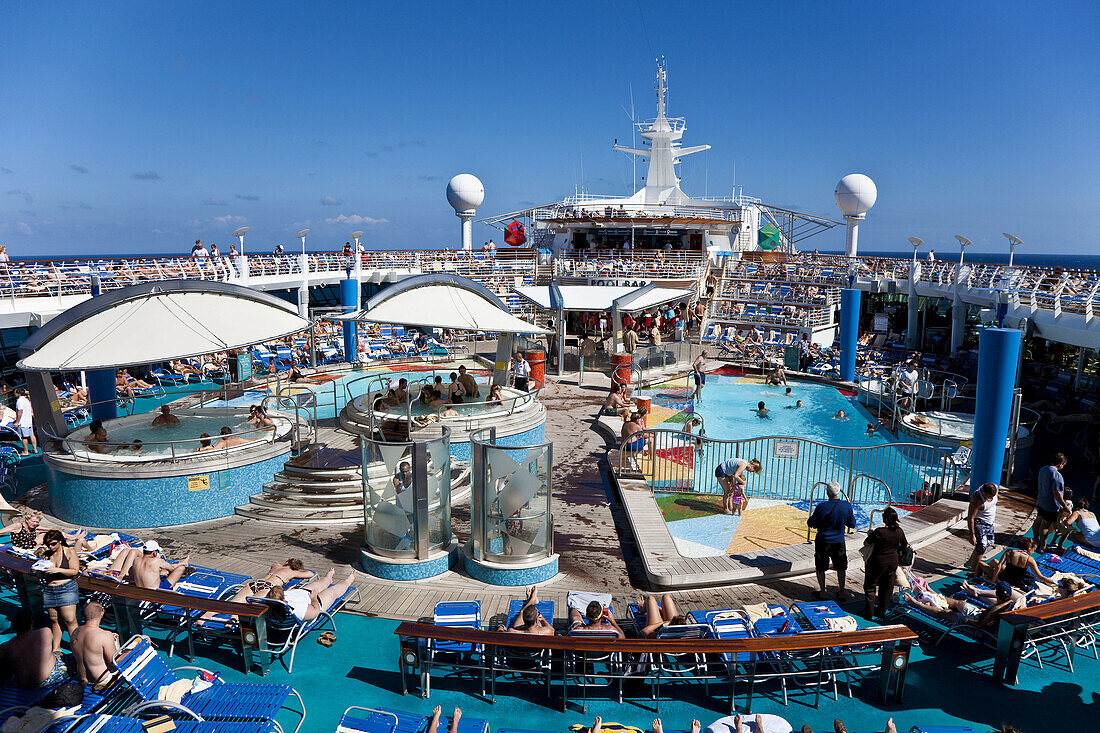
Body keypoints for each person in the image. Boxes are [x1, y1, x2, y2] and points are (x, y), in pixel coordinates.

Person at [807, 481, 857, 600]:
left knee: (820, 567)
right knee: (841, 567)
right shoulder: (846, 505)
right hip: (838, 541)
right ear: (838, 492)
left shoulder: (822, 507)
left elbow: (811, 523)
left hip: (823, 541)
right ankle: (842, 592)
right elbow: (852, 523)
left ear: (827, 493)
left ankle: (823, 592)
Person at [902, 580, 1014, 630]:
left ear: (997, 594)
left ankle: (915, 603)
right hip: (979, 614)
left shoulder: (998, 609)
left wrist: (967, 621)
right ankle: (934, 594)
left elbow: (982, 625)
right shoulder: (1009, 602)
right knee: (960, 603)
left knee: (945, 613)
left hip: (974, 623)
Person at [37, 529, 80, 652]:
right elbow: (41, 575)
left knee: (70, 620)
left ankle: (76, 648)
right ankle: (56, 648)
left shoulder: (69, 552)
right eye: (48, 544)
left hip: (66, 588)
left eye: (53, 544)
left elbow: (74, 571)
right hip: (50, 589)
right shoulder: (47, 554)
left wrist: (57, 570)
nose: (50, 547)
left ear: (60, 541)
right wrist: (39, 571)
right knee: (54, 620)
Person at [0, 610, 67, 689]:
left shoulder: (6, 646)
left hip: (23, 684)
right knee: (64, 657)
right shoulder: (45, 632)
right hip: (46, 680)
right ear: (31, 623)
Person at [862, 507, 908, 619]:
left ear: (886, 518)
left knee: (870, 586)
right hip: (892, 562)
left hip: (877, 562)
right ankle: (881, 612)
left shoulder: (879, 532)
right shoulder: (899, 531)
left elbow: (866, 543)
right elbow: (905, 545)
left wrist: (870, 535)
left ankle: (869, 612)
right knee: (887, 588)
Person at [268, 568, 357, 622]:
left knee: (320, 583)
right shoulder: (296, 611)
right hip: (316, 602)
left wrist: (287, 592)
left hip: (303, 593)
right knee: (332, 591)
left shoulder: (269, 603)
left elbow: (277, 598)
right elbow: (315, 612)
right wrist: (314, 598)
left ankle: (328, 578)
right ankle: (348, 581)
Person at [979, 537, 1058, 593]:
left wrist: (994, 579)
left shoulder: (1009, 551)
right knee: (994, 561)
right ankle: (979, 576)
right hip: (1017, 582)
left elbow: (999, 566)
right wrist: (1056, 582)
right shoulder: (1029, 559)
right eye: (1033, 550)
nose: (1033, 552)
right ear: (1029, 548)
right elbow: (1040, 577)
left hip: (1005, 577)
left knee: (980, 563)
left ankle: (976, 576)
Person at [70, 602, 120, 688]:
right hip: (102, 680)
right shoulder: (105, 635)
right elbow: (115, 662)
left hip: (82, 678)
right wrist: (118, 644)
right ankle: (146, 686)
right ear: (102, 614)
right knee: (141, 646)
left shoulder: (75, 632)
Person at [1034, 453, 1070, 551]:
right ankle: (1043, 546)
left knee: (1038, 520)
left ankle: (1035, 540)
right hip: (1051, 505)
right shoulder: (1057, 475)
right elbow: (1057, 493)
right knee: (1045, 526)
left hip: (1041, 500)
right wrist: (1064, 505)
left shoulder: (1043, 469)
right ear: (1061, 463)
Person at [966, 482, 999, 572]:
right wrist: (972, 534)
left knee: (988, 543)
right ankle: (974, 571)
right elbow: (971, 518)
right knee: (982, 547)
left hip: (990, 522)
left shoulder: (994, 487)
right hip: (979, 522)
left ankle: (971, 561)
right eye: (989, 497)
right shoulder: (977, 499)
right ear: (983, 493)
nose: (991, 499)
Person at [13, 386, 36, 455]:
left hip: (23, 422)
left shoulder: (20, 401)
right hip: (29, 421)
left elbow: (20, 411)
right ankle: (35, 449)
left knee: (24, 437)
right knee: (32, 435)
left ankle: (26, 452)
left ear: (18, 393)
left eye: (15, 392)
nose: (14, 394)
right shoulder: (26, 400)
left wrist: (17, 422)